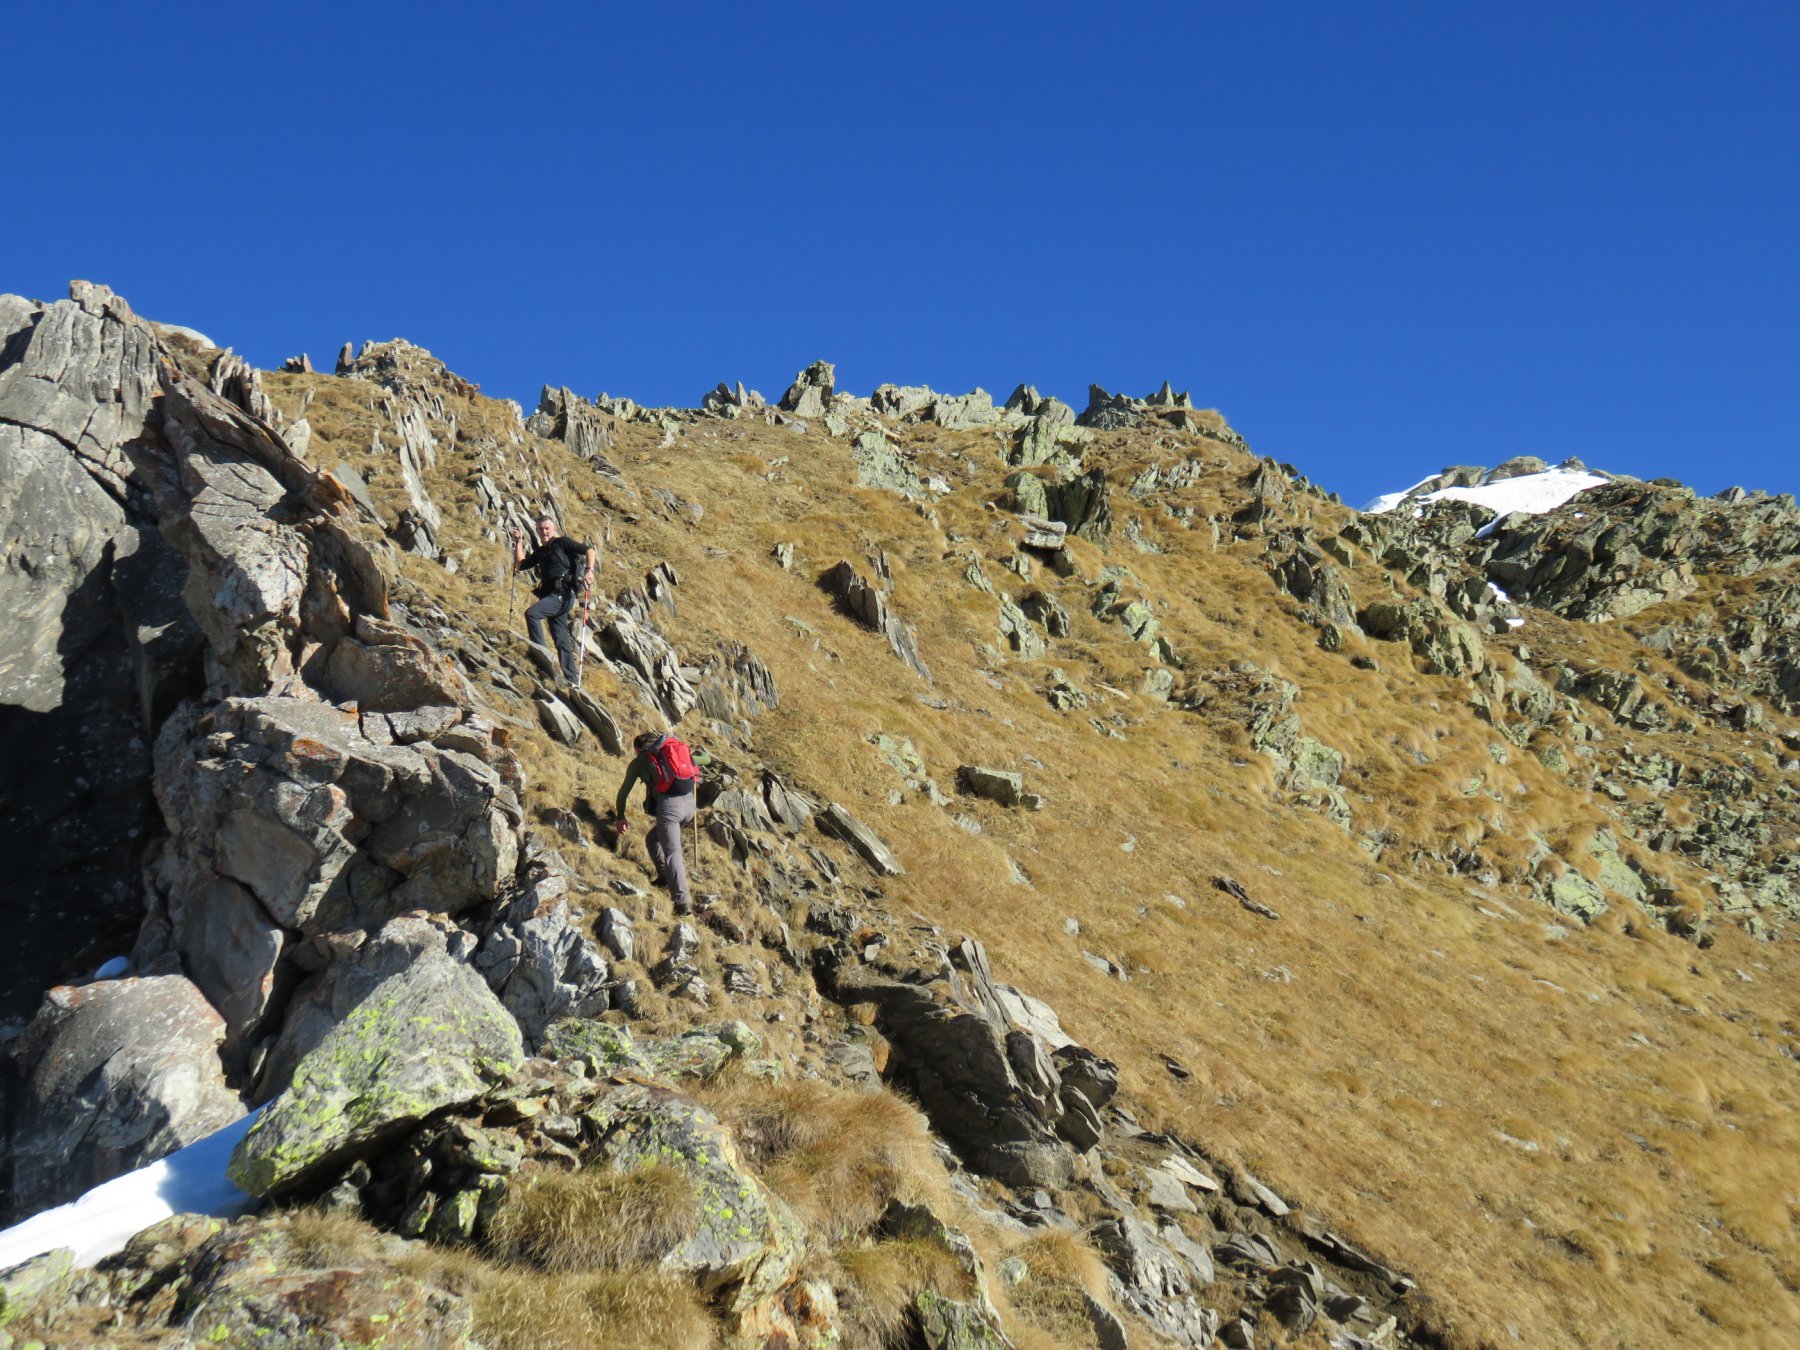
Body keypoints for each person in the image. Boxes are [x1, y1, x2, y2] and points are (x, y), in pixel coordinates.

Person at [614, 730, 712, 915]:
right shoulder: (673, 753)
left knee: (673, 853)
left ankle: (682, 904)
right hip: (689, 805)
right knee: (653, 839)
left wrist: (620, 816)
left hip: (670, 809)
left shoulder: (639, 762)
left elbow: (623, 793)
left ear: (638, 748)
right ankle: (665, 876)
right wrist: (697, 751)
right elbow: (706, 759)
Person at [512, 514, 596, 686]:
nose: (544, 531)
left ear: (553, 528)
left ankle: (542, 657)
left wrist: (589, 570)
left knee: (532, 614)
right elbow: (520, 564)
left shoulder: (562, 542)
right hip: (551, 595)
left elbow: (589, 550)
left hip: (563, 594)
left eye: (547, 528)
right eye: (541, 529)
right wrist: (519, 541)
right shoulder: (541, 551)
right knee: (560, 637)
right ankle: (571, 679)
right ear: (537, 531)